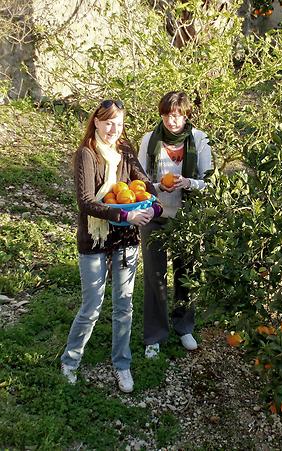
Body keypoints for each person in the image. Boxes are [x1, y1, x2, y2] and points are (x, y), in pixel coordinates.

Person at [60, 99, 162, 392]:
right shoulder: (86, 154)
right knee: (91, 305)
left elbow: (145, 184)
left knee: (123, 305)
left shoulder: (126, 151)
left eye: (118, 124)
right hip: (95, 238)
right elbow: (86, 201)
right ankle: (70, 360)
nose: (113, 130)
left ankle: (122, 364)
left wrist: (152, 207)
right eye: (108, 122)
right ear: (96, 122)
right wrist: (124, 213)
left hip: (126, 237)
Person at [138, 91, 212, 358]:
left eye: (178, 114)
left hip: (187, 218)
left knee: (187, 275)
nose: (173, 120)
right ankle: (155, 335)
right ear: (162, 115)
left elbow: (210, 183)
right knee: (155, 278)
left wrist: (189, 183)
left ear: (186, 114)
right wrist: (158, 186)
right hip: (154, 216)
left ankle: (185, 326)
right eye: (168, 114)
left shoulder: (200, 140)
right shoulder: (149, 140)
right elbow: (140, 182)